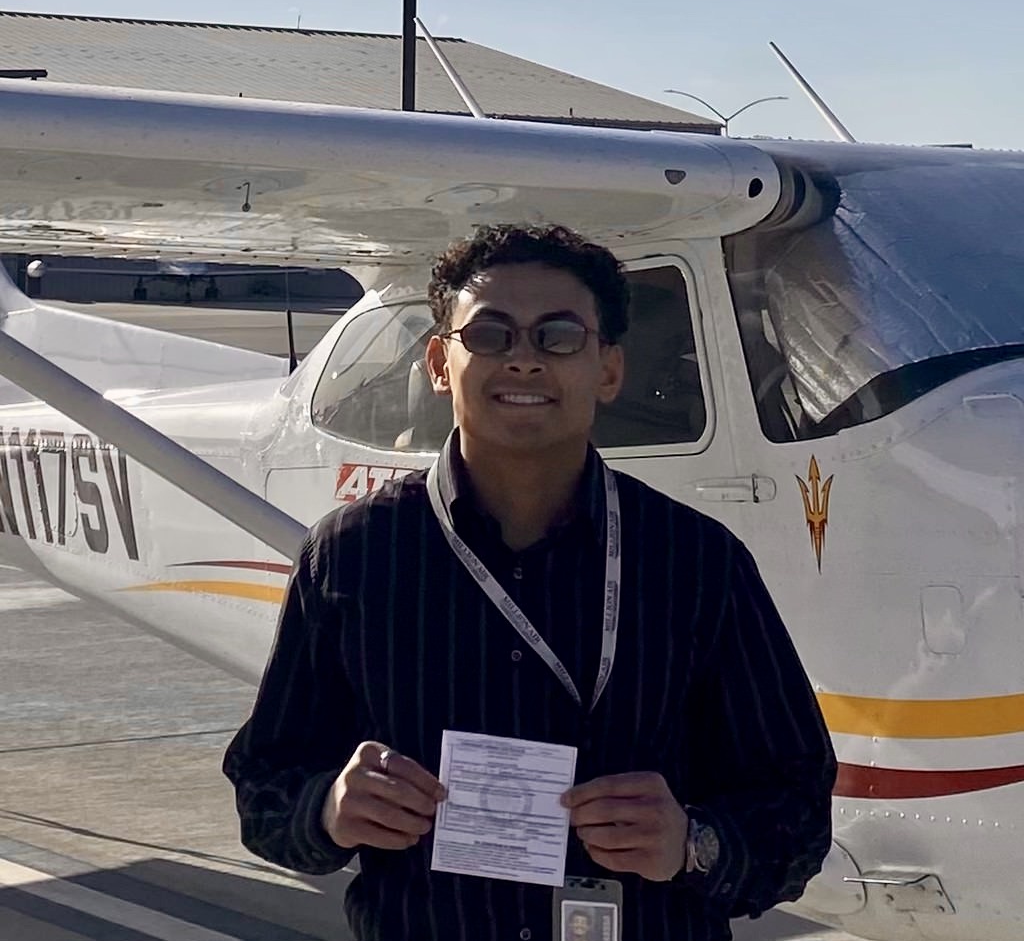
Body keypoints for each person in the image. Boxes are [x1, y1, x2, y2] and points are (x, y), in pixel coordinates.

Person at [223, 223, 837, 941]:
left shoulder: (698, 562)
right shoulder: (355, 556)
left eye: (558, 337)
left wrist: (695, 844)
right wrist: (326, 808)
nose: (522, 361)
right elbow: (266, 784)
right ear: (439, 364)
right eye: (490, 336)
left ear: (609, 369)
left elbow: (795, 806)